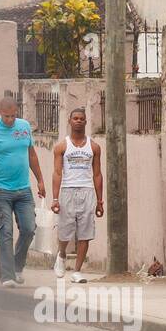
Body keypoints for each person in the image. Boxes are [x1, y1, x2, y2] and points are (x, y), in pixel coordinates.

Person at [0, 95, 46, 287]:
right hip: (0, 191)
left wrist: (40, 180)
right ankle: (7, 276)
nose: (10, 120)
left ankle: (17, 266)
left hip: (23, 190)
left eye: (13, 116)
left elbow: (31, 154)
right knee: (5, 231)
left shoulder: (23, 127)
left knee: (29, 229)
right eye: (6, 116)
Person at [51, 107, 103, 282]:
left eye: (82, 118)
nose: (79, 121)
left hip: (87, 191)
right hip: (67, 191)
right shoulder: (62, 147)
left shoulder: (94, 147)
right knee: (65, 230)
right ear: (70, 121)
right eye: (76, 118)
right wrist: (55, 198)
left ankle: (77, 270)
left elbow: (97, 174)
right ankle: (62, 254)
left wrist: (100, 200)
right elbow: (57, 173)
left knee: (85, 232)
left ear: (86, 122)